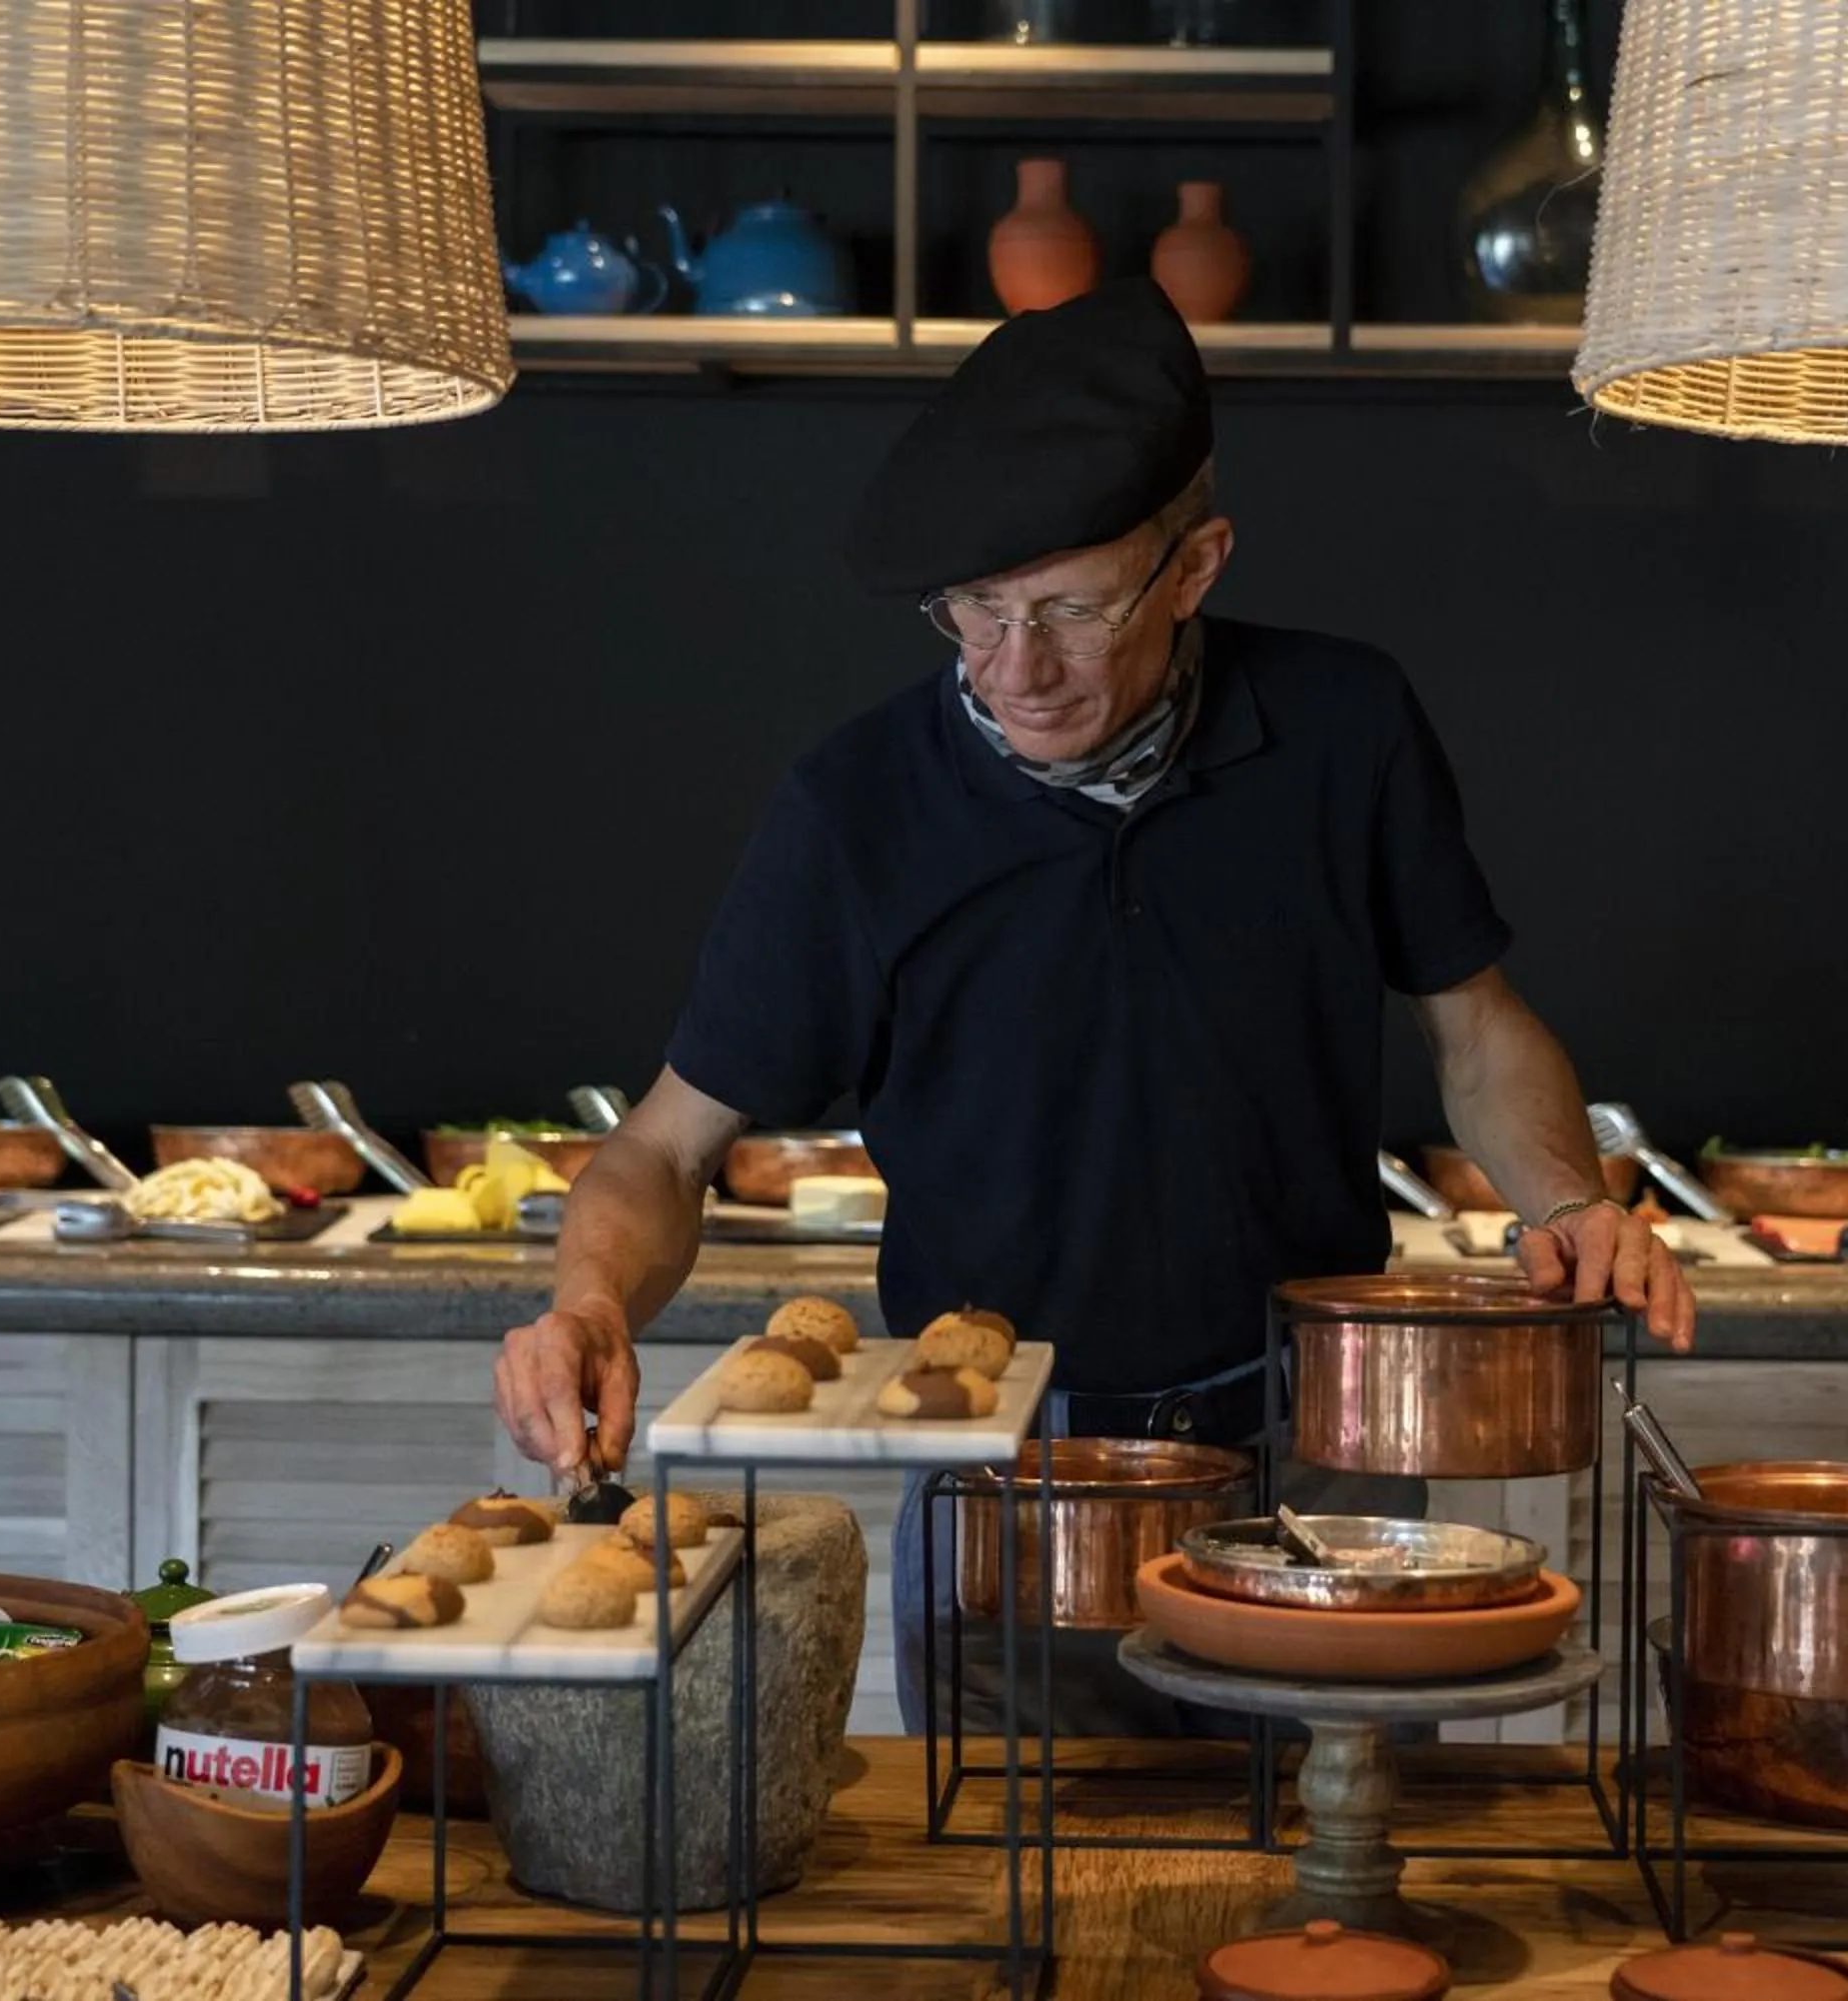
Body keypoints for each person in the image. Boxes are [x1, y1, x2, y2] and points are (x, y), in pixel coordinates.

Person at [494, 278, 1692, 1730]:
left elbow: (1478, 1027)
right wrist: (588, 1300)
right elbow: (665, 1150)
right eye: (976, 612)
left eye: (1069, 607)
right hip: (1006, 1467)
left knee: (1339, 1889)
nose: (1017, 669)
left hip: (1312, 1451)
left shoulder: (1342, 728)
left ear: (1195, 567)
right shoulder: (856, 811)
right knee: (1019, 1914)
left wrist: (1567, 1202)